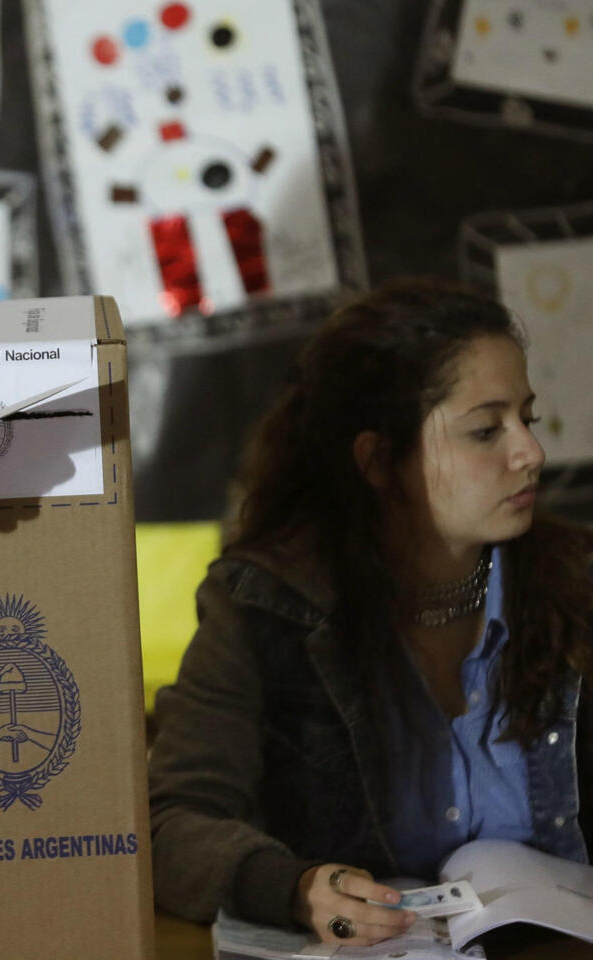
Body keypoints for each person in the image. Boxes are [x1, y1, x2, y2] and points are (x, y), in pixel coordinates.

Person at [147, 278, 593, 946]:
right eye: (485, 430)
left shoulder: (578, 583)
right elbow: (170, 824)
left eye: (526, 419)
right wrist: (292, 888)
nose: (531, 453)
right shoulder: (263, 606)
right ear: (379, 461)